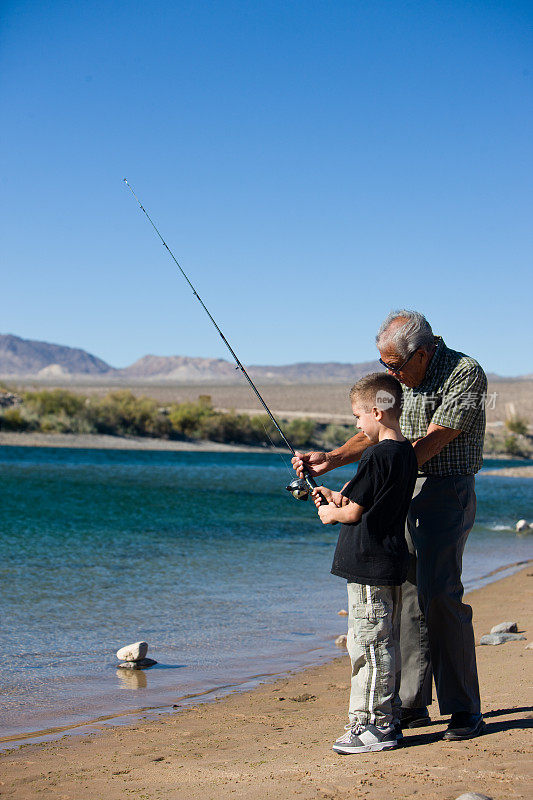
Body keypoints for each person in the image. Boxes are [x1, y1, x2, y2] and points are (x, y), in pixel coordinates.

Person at [293, 310, 487, 741]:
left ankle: (463, 710)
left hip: (445, 490)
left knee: (439, 595)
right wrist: (333, 458)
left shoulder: (465, 373)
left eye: (395, 366)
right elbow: (379, 429)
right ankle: (411, 704)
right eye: (385, 366)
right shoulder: (401, 376)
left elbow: (436, 438)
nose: (390, 374)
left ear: (423, 353)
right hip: (403, 485)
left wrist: (376, 481)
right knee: (403, 593)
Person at [312, 372, 417, 754]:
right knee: (382, 641)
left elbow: (354, 513)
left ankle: (373, 725)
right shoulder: (405, 454)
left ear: (376, 411)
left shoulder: (376, 454)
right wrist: (333, 497)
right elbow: (372, 503)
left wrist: (330, 514)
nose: (357, 425)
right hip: (389, 561)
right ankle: (385, 719)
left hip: (368, 565)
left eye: (358, 417)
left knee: (369, 646)